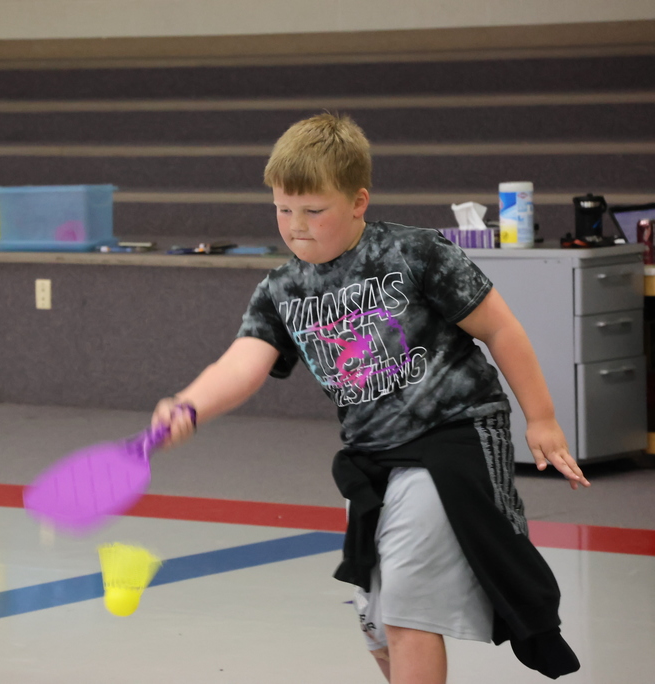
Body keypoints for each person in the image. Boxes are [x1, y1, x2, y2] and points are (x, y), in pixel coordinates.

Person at [151, 113, 587, 683]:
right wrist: (189, 404)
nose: (296, 226)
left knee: (405, 606)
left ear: (358, 202)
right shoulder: (281, 289)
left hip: (454, 434)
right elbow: (243, 361)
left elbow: (500, 329)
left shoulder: (414, 253)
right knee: (377, 624)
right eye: (283, 209)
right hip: (373, 457)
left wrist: (544, 419)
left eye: (314, 211)